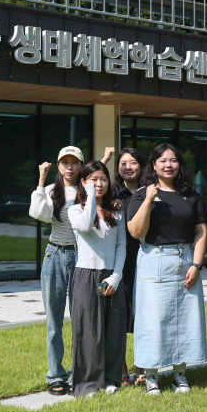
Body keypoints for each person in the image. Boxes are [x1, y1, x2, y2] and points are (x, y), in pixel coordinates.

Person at [127, 143, 207, 396]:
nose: (168, 165)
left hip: (185, 259)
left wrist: (196, 264)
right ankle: (151, 375)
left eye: (173, 160)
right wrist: (150, 199)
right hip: (154, 260)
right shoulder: (142, 194)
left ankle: (179, 374)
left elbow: (201, 231)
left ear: (179, 164)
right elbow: (136, 232)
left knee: (185, 319)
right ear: (154, 165)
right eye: (162, 160)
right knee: (152, 320)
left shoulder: (191, 194)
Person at [67, 160, 127, 396]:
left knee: (113, 330)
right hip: (86, 276)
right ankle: (87, 383)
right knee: (88, 331)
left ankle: (111, 378)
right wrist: (90, 195)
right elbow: (84, 225)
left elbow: (121, 245)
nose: (99, 183)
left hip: (111, 276)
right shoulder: (76, 210)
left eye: (103, 178)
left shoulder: (117, 211)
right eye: (93, 179)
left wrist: (116, 276)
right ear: (83, 182)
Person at [28, 146, 83, 396]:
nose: (69, 167)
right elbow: (40, 214)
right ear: (59, 166)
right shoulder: (51, 191)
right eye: (65, 163)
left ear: (81, 165)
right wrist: (41, 180)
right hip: (55, 255)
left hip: (83, 258)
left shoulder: (88, 189)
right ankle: (55, 375)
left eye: (74, 162)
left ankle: (77, 373)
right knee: (54, 321)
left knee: (81, 320)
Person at [101, 146, 145, 386]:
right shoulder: (113, 192)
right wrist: (105, 158)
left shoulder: (149, 191)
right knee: (118, 315)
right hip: (118, 261)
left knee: (141, 316)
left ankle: (142, 368)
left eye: (133, 162)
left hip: (144, 259)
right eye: (123, 163)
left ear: (141, 165)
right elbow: (89, 181)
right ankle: (121, 371)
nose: (128, 167)